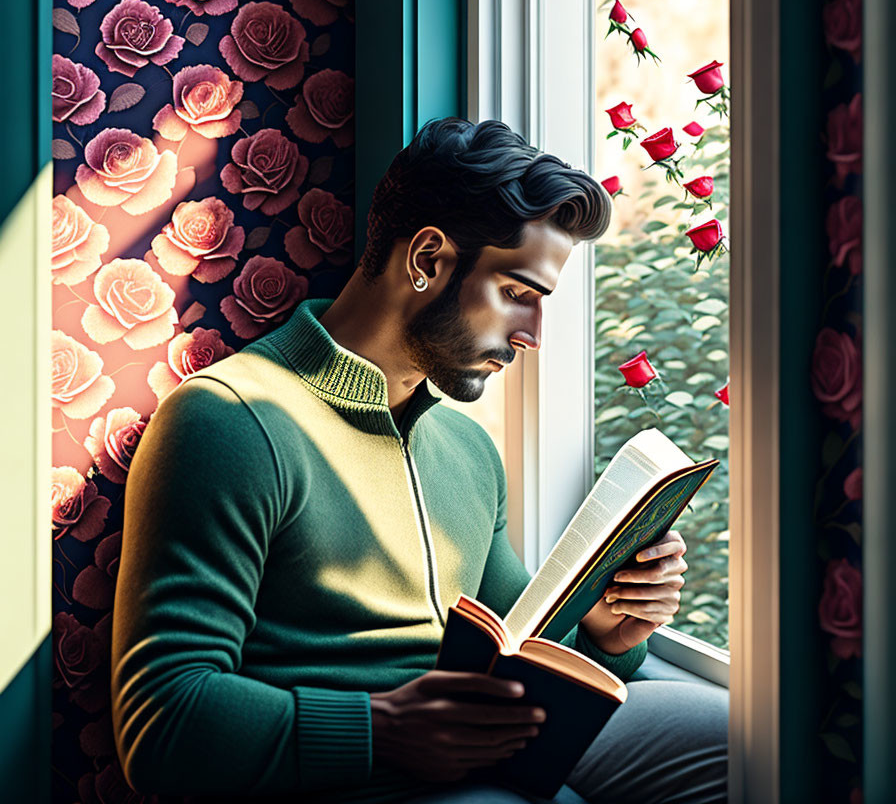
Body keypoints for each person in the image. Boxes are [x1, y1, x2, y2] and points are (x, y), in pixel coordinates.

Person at [112, 118, 727, 804]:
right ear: (428, 259)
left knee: (746, 734)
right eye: (518, 295)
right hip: (355, 783)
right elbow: (161, 725)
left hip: (487, 756)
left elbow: (518, 653)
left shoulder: (467, 450)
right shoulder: (228, 421)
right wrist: (381, 730)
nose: (533, 337)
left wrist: (609, 631)